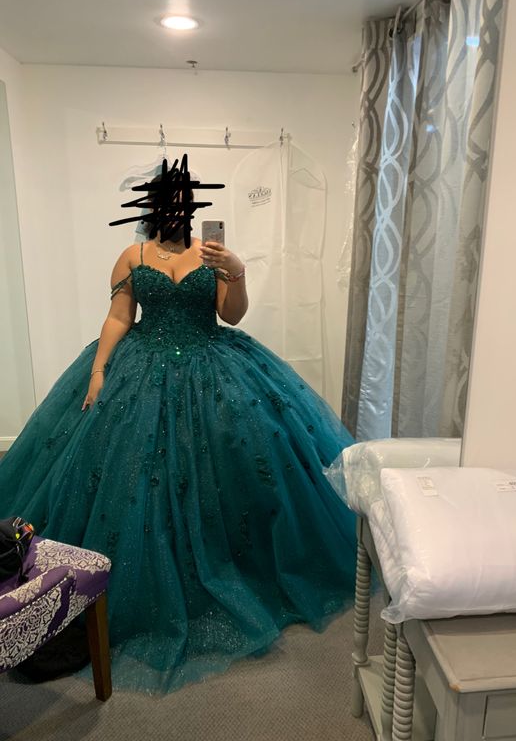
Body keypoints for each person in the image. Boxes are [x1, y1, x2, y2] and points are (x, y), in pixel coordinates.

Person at [0, 182, 358, 694]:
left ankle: (239, 568)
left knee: (233, 470)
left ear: (192, 208)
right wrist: (98, 371)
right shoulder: (133, 255)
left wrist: (235, 269)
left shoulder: (210, 252)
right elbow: (119, 316)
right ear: (149, 208)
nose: (173, 211)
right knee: (129, 475)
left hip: (213, 366)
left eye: (182, 203)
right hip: (140, 369)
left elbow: (231, 315)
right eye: (163, 203)